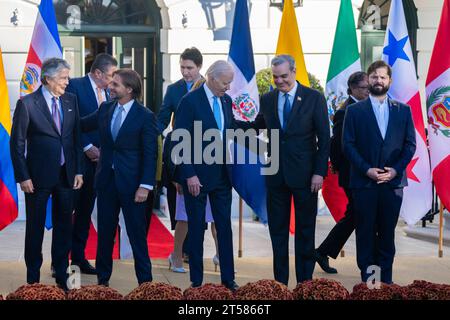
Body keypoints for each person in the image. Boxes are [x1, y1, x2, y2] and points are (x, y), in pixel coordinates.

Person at [243, 54, 330, 285]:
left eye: (283, 76)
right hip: (276, 175)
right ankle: (280, 284)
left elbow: (325, 138)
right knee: (278, 233)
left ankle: (304, 283)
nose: (279, 81)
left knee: (304, 232)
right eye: (275, 77)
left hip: (306, 177)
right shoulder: (269, 98)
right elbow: (258, 125)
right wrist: (232, 124)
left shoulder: (314, 98)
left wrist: (319, 173)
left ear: (293, 71)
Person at [10, 58, 84, 291]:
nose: (67, 81)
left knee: (64, 227)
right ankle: (33, 279)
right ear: (48, 79)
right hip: (37, 178)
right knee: (35, 228)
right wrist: (23, 176)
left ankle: (62, 275)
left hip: (66, 175)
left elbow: (75, 138)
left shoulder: (71, 101)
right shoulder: (28, 104)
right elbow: (17, 144)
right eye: (63, 77)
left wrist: (79, 170)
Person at [81, 69, 158, 286]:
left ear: (129, 89)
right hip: (106, 183)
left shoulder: (145, 116)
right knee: (105, 235)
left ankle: (146, 285)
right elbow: (80, 125)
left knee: (136, 236)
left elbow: (151, 154)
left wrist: (145, 186)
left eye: (115, 84)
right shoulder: (106, 108)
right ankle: (102, 283)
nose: (110, 87)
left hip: (134, 186)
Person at [343, 60, 416, 284]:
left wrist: (395, 170)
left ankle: (386, 283)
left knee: (386, 234)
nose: (378, 80)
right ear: (368, 79)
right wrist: (366, 170)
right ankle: (370, 284)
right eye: (374, 77)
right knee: (365, 234)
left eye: (383, 77)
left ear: (389, 81)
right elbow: (348, 144)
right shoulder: (354, 111)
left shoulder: (403, 111)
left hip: (392, 185)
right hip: (364, 184)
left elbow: (410, 145)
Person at [172, 60, 239, 291]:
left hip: (222, 176)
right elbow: (180, 139)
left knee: (224, 229)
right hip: (196, 178)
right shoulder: (189, 101)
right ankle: (197, 281)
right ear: (211, 77)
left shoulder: (226, 101)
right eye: (225, 83)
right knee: (197, 229)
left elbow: (229, 129)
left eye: (229, 83)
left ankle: (228, 279)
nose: (228, 88)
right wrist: (188, 174)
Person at [65, 53, 118, 275]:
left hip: (100, 163)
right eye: (111, 75)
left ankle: (78, 259)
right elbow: (69, 123)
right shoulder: (74, 86)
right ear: (97, 73)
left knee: (86, 212)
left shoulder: (109, 92)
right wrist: (87, 147)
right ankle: (60, 259)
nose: (114, 81)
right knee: (68, 211)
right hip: (77, 160)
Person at [315, 71, 369, 274]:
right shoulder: (345, 111)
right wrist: (339, 168)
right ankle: (323, 251)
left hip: (363, 174)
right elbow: (336, 145)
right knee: (357, 214)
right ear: (353, 88)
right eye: (364, 88)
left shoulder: (366, 107)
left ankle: (323, 251)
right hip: (351, 174)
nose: (367, 91)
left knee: (355, 215)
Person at [166, 77, 220, 273]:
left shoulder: (217, 113)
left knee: (216, 219)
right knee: (185, 220)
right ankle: (176, 256)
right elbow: (175, 148)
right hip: (188, 177)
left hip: (213, 177)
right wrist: (177, 178)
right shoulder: (187, 108)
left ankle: (220, 255)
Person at [158, 47, 204, 263]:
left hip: (204, 151)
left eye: (190, 68)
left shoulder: (208, 86)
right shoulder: (174, 89)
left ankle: (193, 249)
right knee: (178, 201)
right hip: (177, 151)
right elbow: (163, 117)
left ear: (199, 67)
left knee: (201, 202)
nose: (185, 72)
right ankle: (182, 249)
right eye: (182, 67)